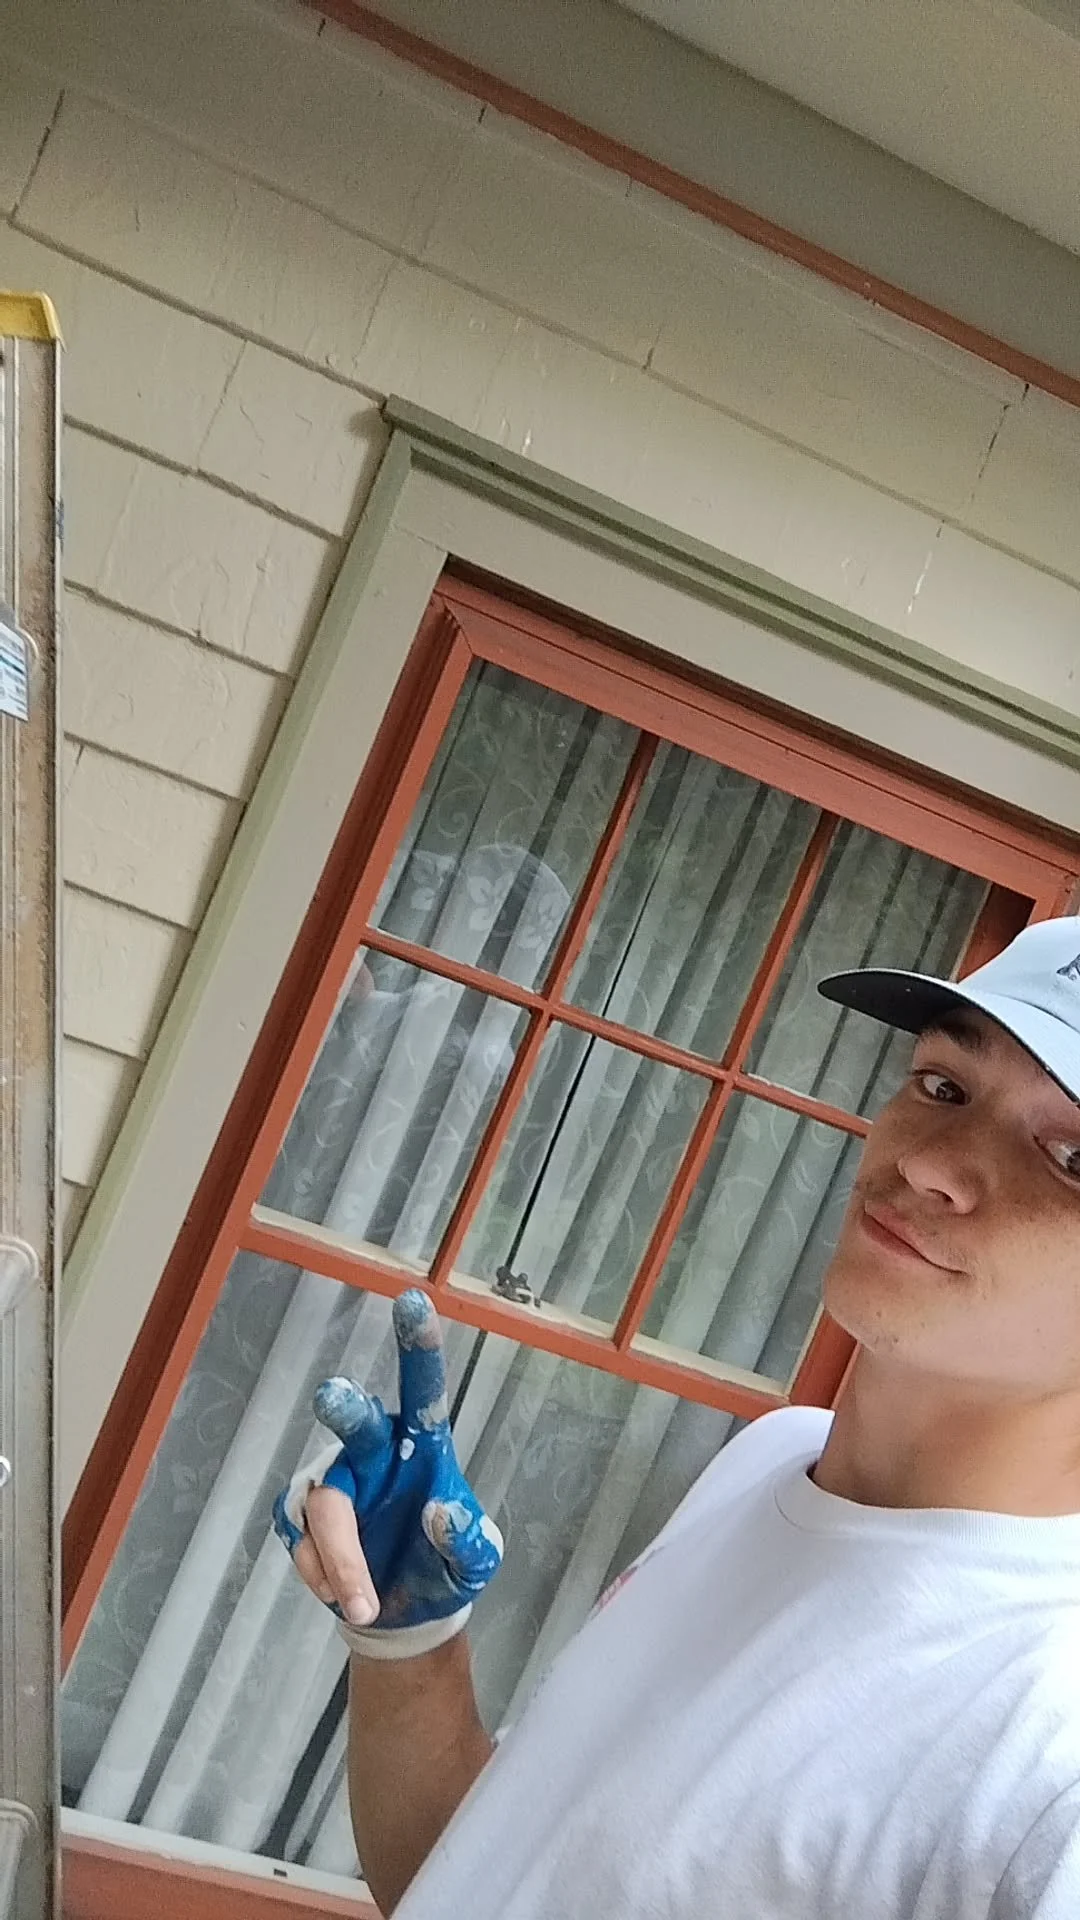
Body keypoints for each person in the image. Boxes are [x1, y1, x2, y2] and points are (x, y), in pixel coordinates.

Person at [274, 917, 1080, 1917]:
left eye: (1069, 1158)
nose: (931, 1165)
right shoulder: (772, 1464)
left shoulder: (1049, 1756)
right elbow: (484, 1877)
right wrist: (409, 1644)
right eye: (944, 1087)